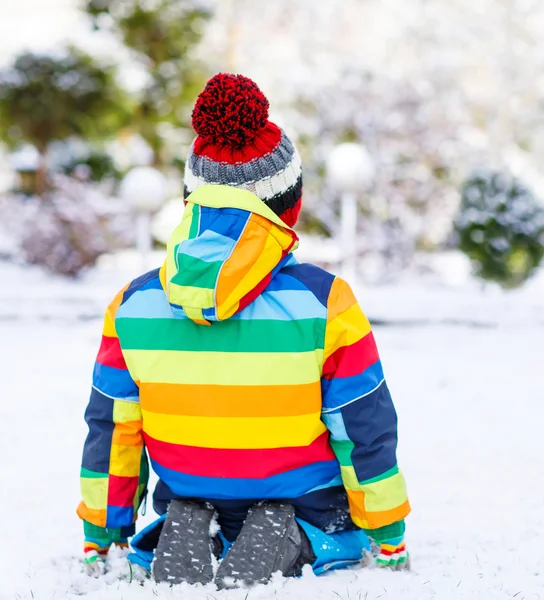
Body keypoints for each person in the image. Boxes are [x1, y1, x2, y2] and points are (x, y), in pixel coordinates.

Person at [77, 73, 410, 587]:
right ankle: (296, 534)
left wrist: (102, 533)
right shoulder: (325, 302)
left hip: (188, 484)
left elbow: (115, 428)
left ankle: (189, 524)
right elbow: (361, 425)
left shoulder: (133, 304)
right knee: (340, 530)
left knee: (188, 495)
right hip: (305, 497)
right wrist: (388, 532)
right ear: (288, 204)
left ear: (193, 198)